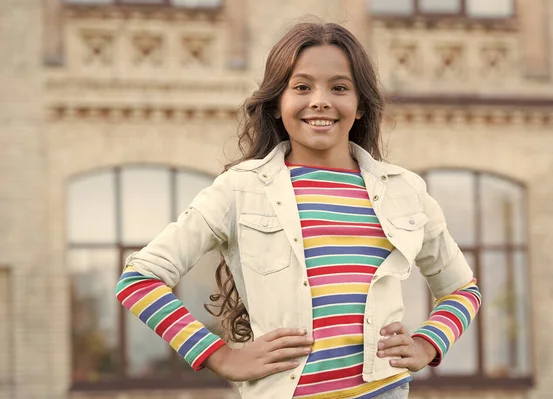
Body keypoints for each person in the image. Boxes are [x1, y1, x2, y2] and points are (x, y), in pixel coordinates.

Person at [116, 21, 481, 399]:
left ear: (360, 107)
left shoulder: (405, 190)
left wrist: (427, 344)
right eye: (302, 87)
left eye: (339, 87)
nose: (320, 100)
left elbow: (462, 289)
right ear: (277, 103)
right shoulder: (240, 189)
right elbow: (139, 280)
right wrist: (220, 357)